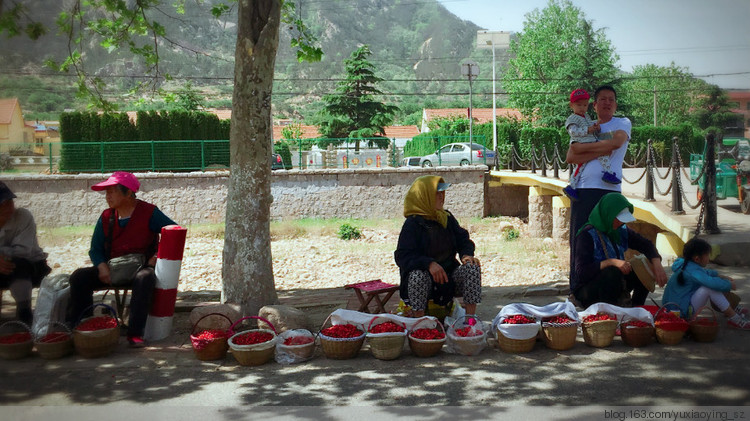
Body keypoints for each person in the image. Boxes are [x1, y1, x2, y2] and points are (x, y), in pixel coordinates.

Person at [67, 172, 176, 347]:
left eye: (112, 191)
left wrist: (156, 257)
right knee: (79, 277)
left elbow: (173, 232)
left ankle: (135, 334)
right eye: (106, 192)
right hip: (112, 268)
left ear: (128, 193)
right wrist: (102, 267)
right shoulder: (106, 217)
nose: (107, 196)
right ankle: (82, 328)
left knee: (145, 278)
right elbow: (95, 249)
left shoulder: (149, 212)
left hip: (140, 268)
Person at [566, 85, 631, 289]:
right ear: (594, 105)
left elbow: (616, 143)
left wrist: (584, 149)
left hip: (610, 193)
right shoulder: (586, 125)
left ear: (616, 104)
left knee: (614, 238)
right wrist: (603, 147)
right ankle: (577, 289)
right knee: (579, 239)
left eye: (611, 99)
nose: (607, 102)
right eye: (602, 99)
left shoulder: (622, 122)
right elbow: (570, 155)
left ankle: (615, 287)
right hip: (584, 189)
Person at [394, 175, 481, 318]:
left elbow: (463, 239)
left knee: (472, 268)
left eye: (442, 193)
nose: (442, 197)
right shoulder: (413, 223)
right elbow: (402, 256)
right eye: (437, 193)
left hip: (448, 278)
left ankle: (470, 322)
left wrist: (466, 255)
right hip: (424, 282)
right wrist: (428, 264)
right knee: (417, 276)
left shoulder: (446, 217)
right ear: (425, 196)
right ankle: (421, 323)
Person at [571, 192, 667, 308]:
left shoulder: (620, 230)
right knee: (612, 271)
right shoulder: (586, 234)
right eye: (618, 219)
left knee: (643, 268)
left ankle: (636, 309)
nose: (621, 223)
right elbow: (582, 272)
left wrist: (657, 264)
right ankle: (610, 313)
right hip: (589, 290)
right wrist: (611, 262)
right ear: (608, 214)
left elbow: (646, 245)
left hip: (616, 283)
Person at [662, 238, 749, 329]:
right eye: (707, 255)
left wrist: (719, 276)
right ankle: (734, 318)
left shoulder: (685, 265)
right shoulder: (693, 272)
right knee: (710, 287)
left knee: (715, 282)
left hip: (673, 310)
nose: (709, 258)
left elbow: (704, 273)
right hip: (681, 313)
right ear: (697, 259)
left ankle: (733, 307)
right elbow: (711, 283)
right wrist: (729, 284)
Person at [0, 182, 51, 325]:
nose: (8, 206)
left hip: (31, 266)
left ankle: (24, 312)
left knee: (17, 264)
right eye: (2, 203)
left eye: (9, 201)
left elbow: (22, 251)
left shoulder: (23, 216)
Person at [562, 89, 620, 201]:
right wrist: (588, 130)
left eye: (584, 105)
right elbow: (573, 132)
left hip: (590, 141)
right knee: (580, 166)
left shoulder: (587, 117)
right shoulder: (572, 118)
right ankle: (572, 186)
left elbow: (591, 127)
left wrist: (595, 128)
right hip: (581, 142)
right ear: (571, 105)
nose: (582, 108)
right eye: (579, 105)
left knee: (603, 156)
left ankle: (608, 173)